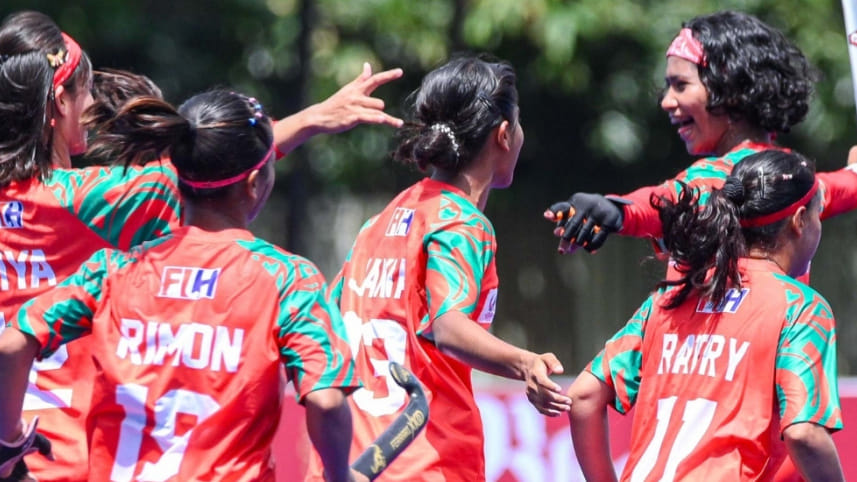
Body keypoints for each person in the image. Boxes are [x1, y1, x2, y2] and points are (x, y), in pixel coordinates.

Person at [0, 10, 403, 480]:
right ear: (58, 103)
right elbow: (210, 162)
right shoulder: (90, 200)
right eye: (83, 89)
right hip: (52, 455)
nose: (90, 101)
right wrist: (313, 119)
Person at [305, 54, 571, 482]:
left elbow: (327, 328)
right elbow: (447, 327)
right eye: (518, 123)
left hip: (353, 465)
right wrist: (524, 363)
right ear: (504, 135)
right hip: (427, 464)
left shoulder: (379, 223)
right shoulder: (462, 223)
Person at [566, 149, 844, 481]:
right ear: (800, 221)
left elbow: (583, 396)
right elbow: (805, 434)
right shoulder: (801, 307)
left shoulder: (670, 297)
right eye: (817, 215)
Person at [545, 10, 857, 266]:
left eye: (680, 85)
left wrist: (617, 211)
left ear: (730, 88)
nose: (667, 101)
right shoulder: (797, 181)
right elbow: (843, 186)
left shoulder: (724, 177)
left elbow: (670, 202)